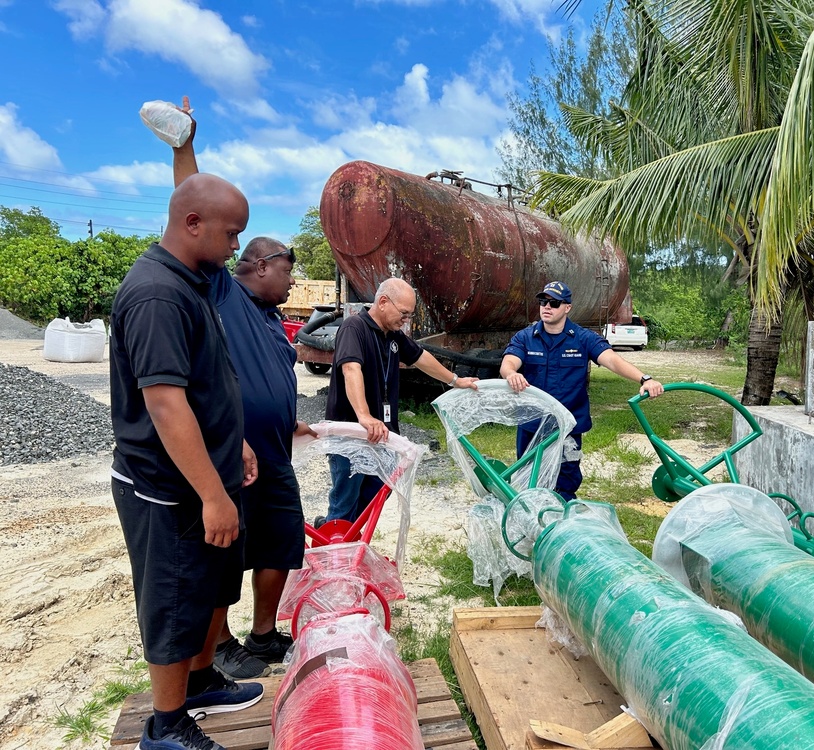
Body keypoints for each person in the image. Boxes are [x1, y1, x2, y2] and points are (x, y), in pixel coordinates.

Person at [110, 172, 264, 750]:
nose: (234, 248)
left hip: (203, 474)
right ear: (191, 224)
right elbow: (166, 405)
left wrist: (235, 443)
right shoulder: (156, 293)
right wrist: (213, 495)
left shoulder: (194, 279)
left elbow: (205, 385)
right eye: (231, 234)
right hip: (167, 488)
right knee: (174, 599)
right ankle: (167, 726)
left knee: (205, 588)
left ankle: (198, 683)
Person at [167, 98, 316, 681]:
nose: (294, 280)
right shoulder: (221, 292)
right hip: (234, 459)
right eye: (288, 269)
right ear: (257, 264)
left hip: (274, 456)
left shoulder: (274, 324)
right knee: (224, 557)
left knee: (281, 546)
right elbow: (196, 209)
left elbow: (270, 382)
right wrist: (184, 148)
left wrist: (292, 422)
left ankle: (262, 635)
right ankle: (220, 644)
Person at [318, 278, 479, 525]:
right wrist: (364, 415)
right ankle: (333, 549)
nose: (406, 320)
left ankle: (351, 542)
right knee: (345, 499)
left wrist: (455, 380)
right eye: (403, 313)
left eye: (409, 315)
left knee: (375, 496)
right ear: (383, 302)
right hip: (352, 434)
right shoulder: (354, 328)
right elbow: (351, 369)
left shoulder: (392, 335)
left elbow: (421, 357)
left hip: (383, 436)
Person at [500, 281, 665, 501]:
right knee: (528, 479)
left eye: (554, 303)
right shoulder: (526, 337)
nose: (546, 307)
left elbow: (612, 361)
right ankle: (533, 524)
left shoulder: (582, 338)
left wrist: (644, 378)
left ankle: (563, 521)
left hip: (568, 426)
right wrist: (511, 373)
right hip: (533, 424)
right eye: (543, 302)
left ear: (567, 307)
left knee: (565, 484)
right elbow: (508, 362)